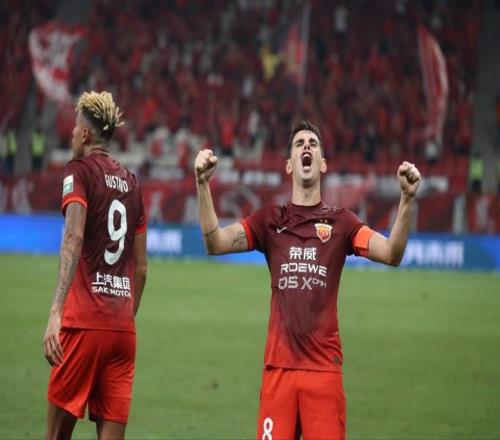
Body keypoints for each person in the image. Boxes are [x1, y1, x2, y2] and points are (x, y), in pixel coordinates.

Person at [195, 120, 421, 440]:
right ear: (289, 164)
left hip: (324, 372)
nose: (306, 147)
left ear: (323, 164)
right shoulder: (269, 221)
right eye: (299, 143)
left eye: (313, 144)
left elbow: (391, 253)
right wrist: (202, 185)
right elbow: (215, 243)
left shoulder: (342, 223)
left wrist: (407, 200)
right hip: (279, 371)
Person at [43, 91, 148, 439]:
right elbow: (141, 268)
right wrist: (124, 319)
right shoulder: (133, 184)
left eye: (75, 128)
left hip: (83, 325)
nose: (72, 134)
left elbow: (73, 237)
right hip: (123, 332)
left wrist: (56, 312)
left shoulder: (79, 172)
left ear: (85, 134)